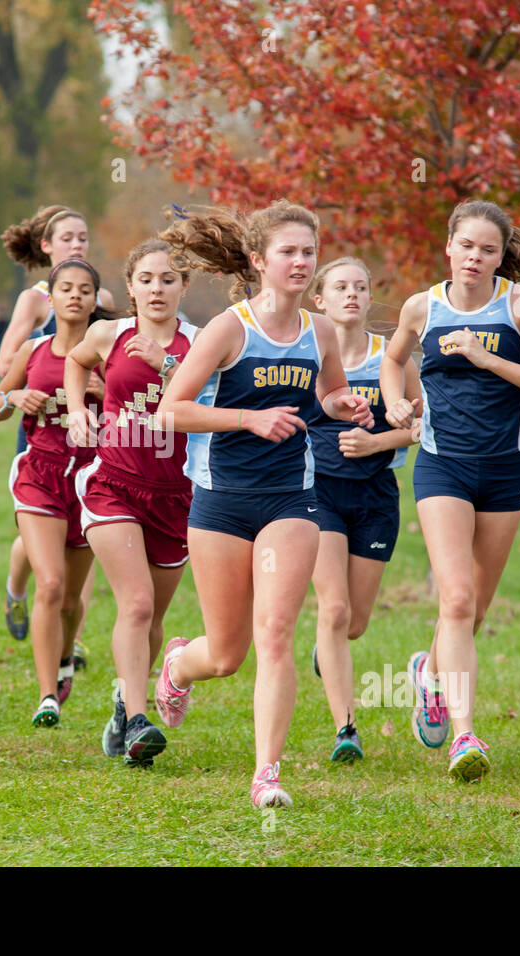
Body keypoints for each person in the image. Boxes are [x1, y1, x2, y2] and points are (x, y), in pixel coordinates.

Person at [151, 201, 372, 809]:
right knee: (226, 654)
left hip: (293, 501)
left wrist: (345, 406)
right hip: (222, 504)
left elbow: (328, 392)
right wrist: (248, 418)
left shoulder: (321, 330)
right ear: (258, 260)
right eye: (289, 253)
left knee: (275, 632)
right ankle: (177, 668)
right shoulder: (230, 328)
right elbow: (171, 408)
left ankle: (266, 775)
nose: (301, 263)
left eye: (309, 252)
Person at [381, 199, 520, 782]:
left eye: (488, 249)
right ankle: (465, 736)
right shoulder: (422, 306)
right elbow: (392, 360)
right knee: (456, 599)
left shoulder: (519, 303)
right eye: (466, 246)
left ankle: (428, 673)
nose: (475, 257)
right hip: (442, 467)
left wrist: (488, 358)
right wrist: (393, 399)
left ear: (500, 255)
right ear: (449, 247)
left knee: (477, 608)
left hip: (505, 470)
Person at [64, 238, 197, 767]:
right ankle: (141, 724)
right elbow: (75, 362)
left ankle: (125, 700)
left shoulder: (201, 341)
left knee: (155, 619)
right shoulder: (108, 333)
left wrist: (166, 365)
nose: (157, 289)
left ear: (184, 287)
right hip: (113, 482)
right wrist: (78, 409)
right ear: (131, 287)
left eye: (168, 279)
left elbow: (209, 400)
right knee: (136, 603)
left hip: (177, 495)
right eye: (146, 279)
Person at [306, 257, 421, 763]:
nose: (351, 295)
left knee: (354, 623)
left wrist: (376, 444)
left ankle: (328, 652)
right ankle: (345, 729)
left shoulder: (392, 359)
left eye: (360, 287)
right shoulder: (305, 357)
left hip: (375, 496)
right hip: (318, 495)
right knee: (332, 611)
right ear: (320, 300)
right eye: (340, 287)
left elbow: (419, 427)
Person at [0, 258, 111, 727]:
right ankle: (46, 696)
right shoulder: (33, 351)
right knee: (52, 583)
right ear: (53, 297)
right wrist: (15, 397)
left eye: (85, 289)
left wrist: (105, 392)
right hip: (40, 474)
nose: (76, 296)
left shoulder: (107, 356)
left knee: (71, 599)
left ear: (96, 300)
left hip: (91, 481)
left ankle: (63, 663)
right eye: (66, 288)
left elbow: (141, 409)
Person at [0, 205, 114, 648]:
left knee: (81, 537)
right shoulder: (33, 300)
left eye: (83, 238)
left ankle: (72, 635)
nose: (77, 245)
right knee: (38, 533)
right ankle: (17, 587)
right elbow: (7, 362)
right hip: (41, 427)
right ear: (46, 246)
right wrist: (36, 374)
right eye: (67, 238)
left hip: (88, 438)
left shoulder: (97, 300)